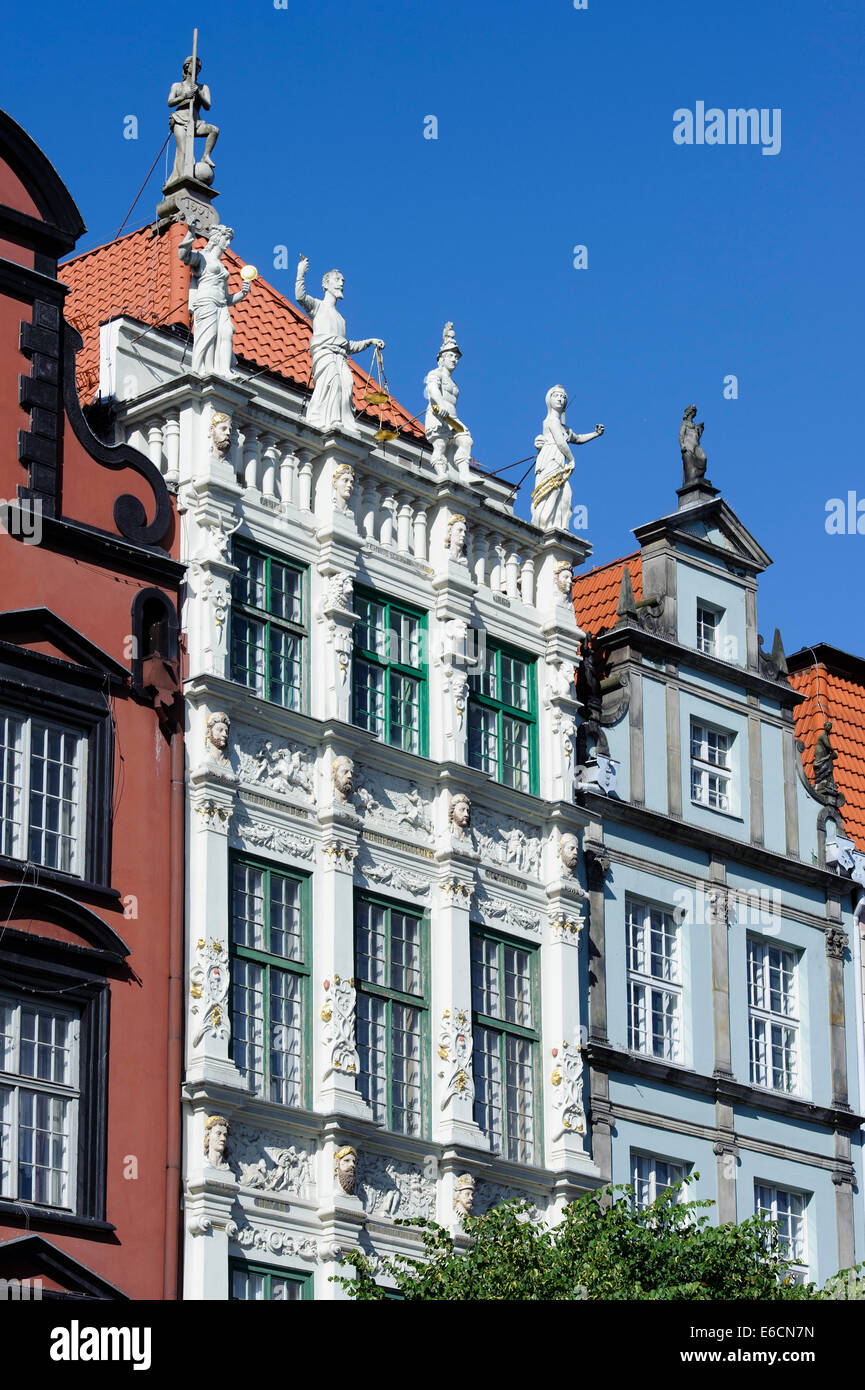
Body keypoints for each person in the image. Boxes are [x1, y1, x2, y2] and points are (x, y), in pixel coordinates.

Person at [296, 257, 383, 434]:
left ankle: (343, 422)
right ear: (326, 284)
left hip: (340, 356)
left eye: (343, 280)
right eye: (338, 279)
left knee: (347, 384)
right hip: (325, 354)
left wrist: (369, 342)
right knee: (332, 383)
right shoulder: (318, 306)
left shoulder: (341, 319)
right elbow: (300, 296)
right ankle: (328, 420)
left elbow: (347, 346)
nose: (342, 283)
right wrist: (300, 273)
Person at [178, 224, 251, 377]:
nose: (228, 243)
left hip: (221, 304)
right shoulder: (202, 257)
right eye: (226, 239)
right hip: (206, 301)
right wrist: (190, 232)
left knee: (227, 332)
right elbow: (183, 255)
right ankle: (203, 370)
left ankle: (224, 370)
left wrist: (243, 293)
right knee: (209, 335)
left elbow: (228, 298)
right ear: (217, 239)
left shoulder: (223, 268)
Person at [531, 386, 603, 531]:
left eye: (563, 397)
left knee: (566, 495)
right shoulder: (551, 420)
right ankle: (541, 526)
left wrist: (595, 434)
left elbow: (578, 438)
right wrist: (571, 459)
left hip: (560, 460)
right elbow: (560, 441)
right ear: (549, 399)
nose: (560, 399)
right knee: (551, 491)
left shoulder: (564, 427)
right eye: (556, 395)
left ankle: (559, 527)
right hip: (551, 458)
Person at [167, 55, 218, 182]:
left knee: (214, 130)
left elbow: (207, 106)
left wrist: (198, 94)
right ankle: (180, 177)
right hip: (180, 119)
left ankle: (206, 155)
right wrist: (185, 96)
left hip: (195, 121)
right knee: (183, 151)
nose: (197, 69)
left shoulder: (203, 87)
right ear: (187, 67)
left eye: (199, 67)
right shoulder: (177, 86)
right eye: (195, 65)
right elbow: (170, 102)